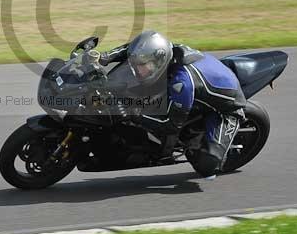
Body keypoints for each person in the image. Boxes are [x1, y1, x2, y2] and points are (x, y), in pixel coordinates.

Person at [99, 30, 246, 172]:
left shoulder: (182, 85)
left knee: (207, 164)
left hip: (227, 108)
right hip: (205, 81)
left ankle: (204, 145)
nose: (137, 70)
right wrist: (104, 57)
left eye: (143, 66)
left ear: (158, 62)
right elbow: (134, 50)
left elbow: (171, 125)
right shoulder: (164, 50)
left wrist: (133, 114)